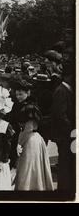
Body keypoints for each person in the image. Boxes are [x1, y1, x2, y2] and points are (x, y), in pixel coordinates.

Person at [14, 103, 54, 191]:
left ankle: (26, 187)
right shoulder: (35, 120)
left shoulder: (28, 122)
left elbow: (27, 131)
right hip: (37, 140)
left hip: (29, 142)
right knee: (36, 166)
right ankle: (38, 186)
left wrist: (19, 144)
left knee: (27, 167)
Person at [50, 60, 75, 193]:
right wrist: (72, 129)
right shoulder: (61, 91)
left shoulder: (66, 90)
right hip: (65, 136)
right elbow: (60, 115)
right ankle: (63, 192)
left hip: (68, 135)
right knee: (65, 165)